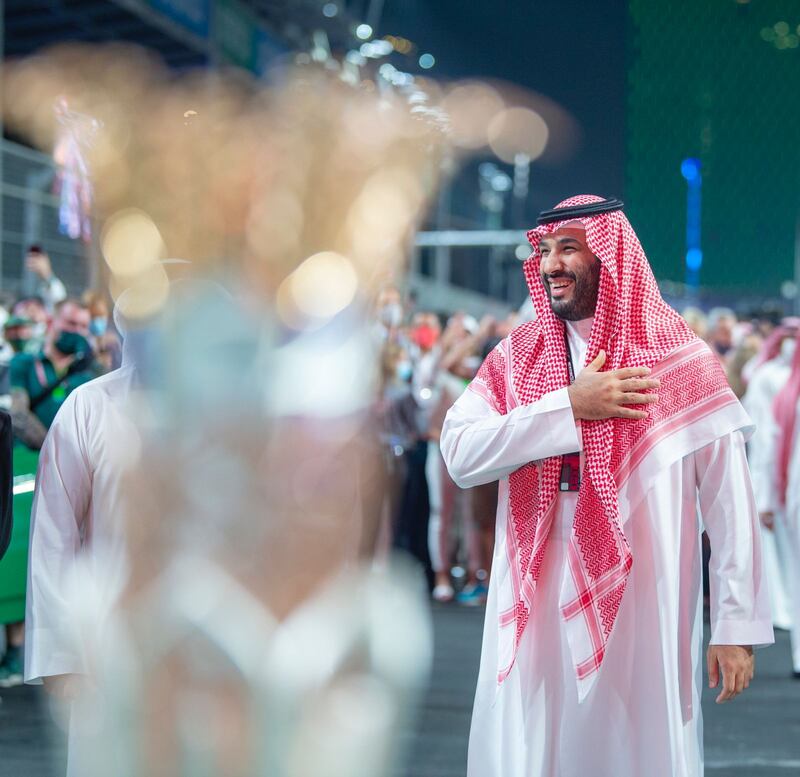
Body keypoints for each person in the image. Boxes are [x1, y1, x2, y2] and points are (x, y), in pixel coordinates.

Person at [440, 195, 772, 777]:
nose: (551, 265)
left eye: (569, 247)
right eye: (545, 250)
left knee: (635, 747)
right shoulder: (519, 359)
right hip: (533, 595)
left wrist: (736, 625)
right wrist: (567, 408)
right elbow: (460, 453)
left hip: (646, 600)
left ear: (610, 255)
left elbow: (729, 503)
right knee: (533, 746)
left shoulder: (679, 362)